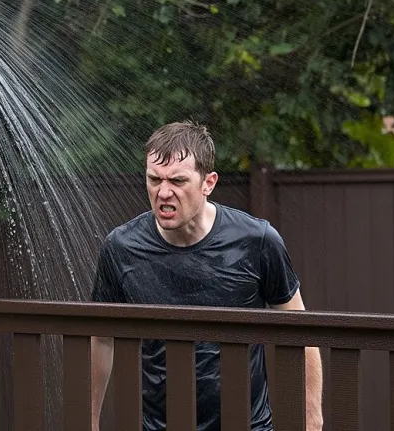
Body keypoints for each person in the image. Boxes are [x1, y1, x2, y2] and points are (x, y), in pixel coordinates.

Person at [89, 120, 323, 431]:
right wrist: (88, 420)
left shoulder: (257, 241)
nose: (163, 192)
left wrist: (311, 419)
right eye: (154, 179)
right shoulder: (121, 247)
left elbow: (300, 329)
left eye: (178, 180)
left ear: (208, 183)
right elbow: (101, 339)